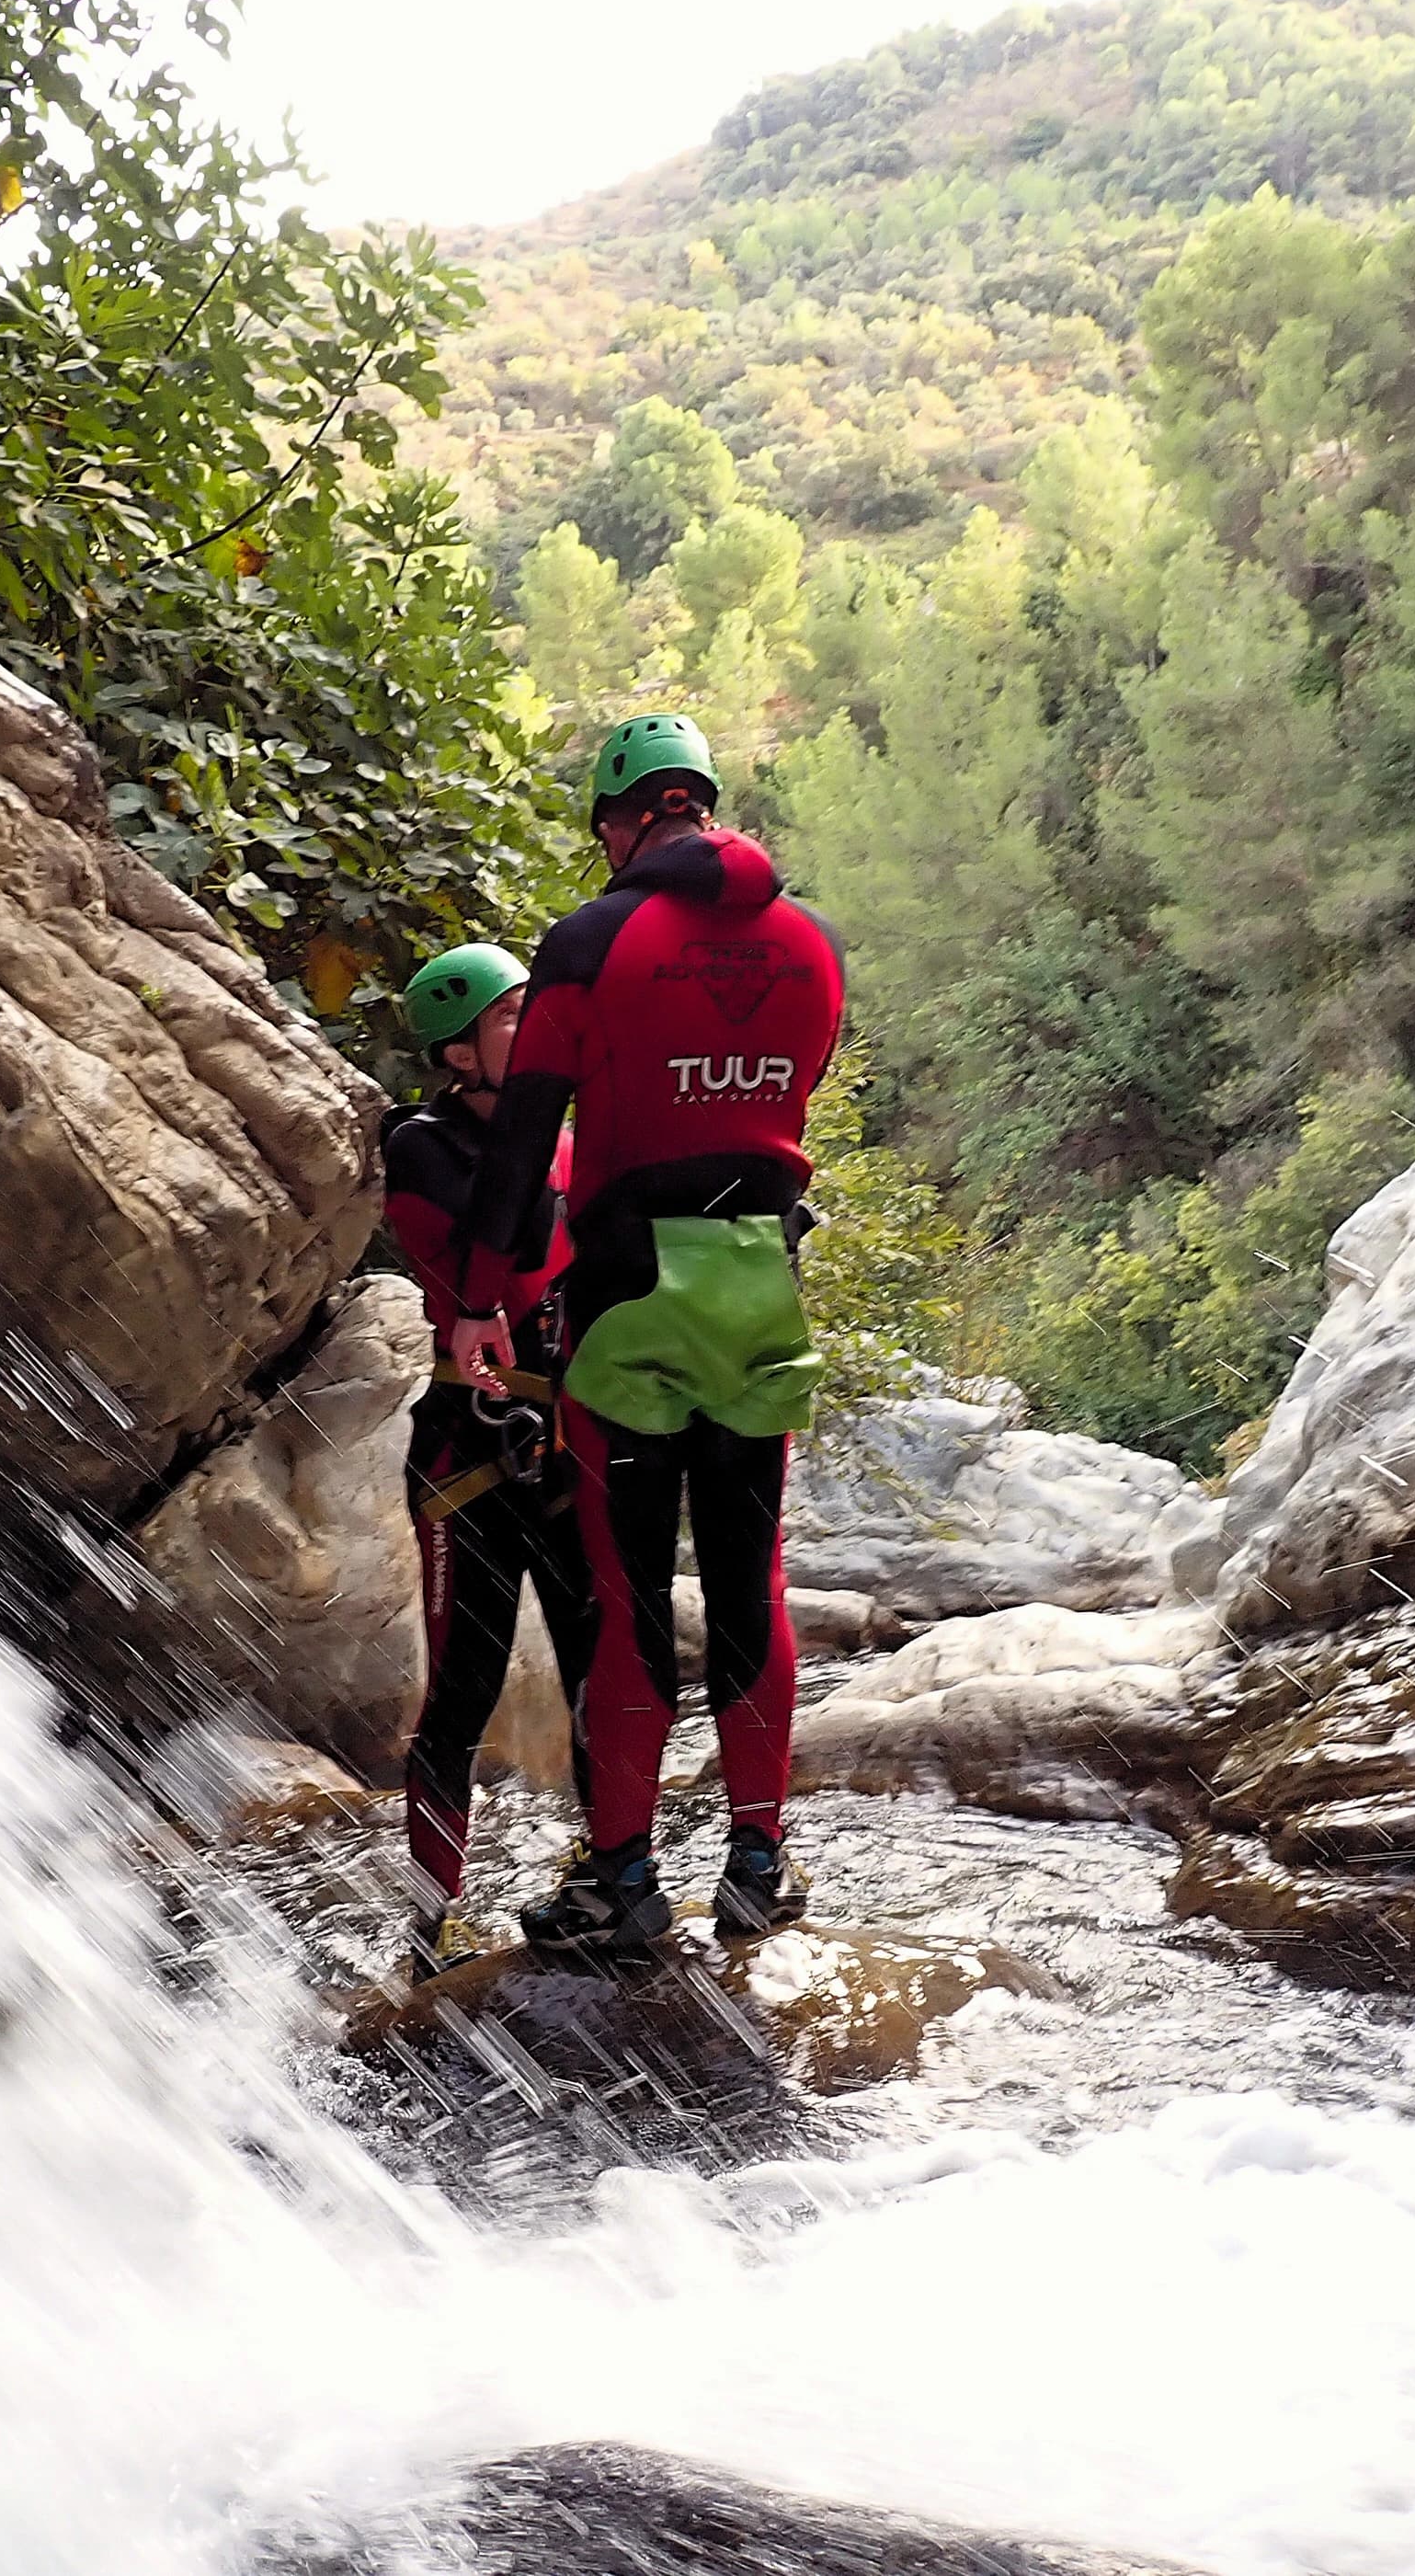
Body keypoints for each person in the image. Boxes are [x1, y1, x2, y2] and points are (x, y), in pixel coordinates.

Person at [444, 715, 845, 1971]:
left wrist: (474, 1298)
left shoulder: (591, 941)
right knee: (750, 1575)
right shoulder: (811, 942)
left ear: (624, 820)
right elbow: (785, 1094)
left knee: (626, 1595)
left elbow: (524, 1138)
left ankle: (622, 1877)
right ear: (704, 803)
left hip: (628, 1296)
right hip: (759, 1290)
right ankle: (758, 1862)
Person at [382, 942, 601, 1981]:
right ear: (459, 1046)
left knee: (602, 1668)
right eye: (516, 1017)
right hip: (471, 1452)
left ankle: (614, 1874)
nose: (534, 1030)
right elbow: (506, 1251)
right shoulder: (418, 1145)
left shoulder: (556, 1140)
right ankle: (429, 1920)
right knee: (462, 1692)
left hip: (563, 1440)